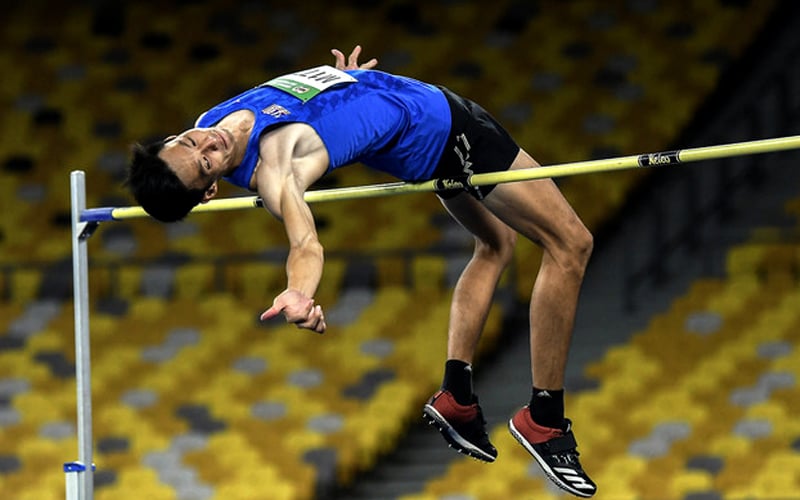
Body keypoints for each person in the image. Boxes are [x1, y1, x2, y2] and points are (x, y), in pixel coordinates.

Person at [125, 45, 596, 497]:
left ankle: (457, 394)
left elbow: (297, 100)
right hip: (447, 130)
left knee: (495, 244)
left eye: (190, 141)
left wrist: (346, 85)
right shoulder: (276, 168)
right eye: (207, 161)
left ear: (174, 137)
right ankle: (545, 419)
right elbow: (305, 242)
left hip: (410, 120)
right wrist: (298, 292)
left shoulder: (209, 120)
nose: (210, 141)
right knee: (570, 245)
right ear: (208, 190)